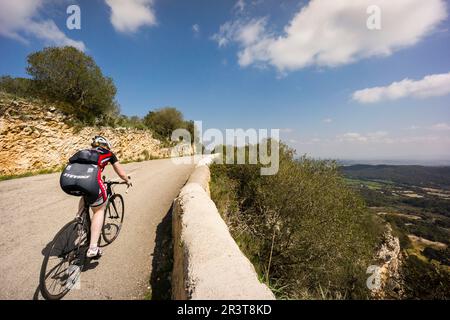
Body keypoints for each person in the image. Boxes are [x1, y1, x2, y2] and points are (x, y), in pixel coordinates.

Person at [77, 136, 131, 258]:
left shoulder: (83, 151)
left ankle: (79, 218)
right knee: (99, 210)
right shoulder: (108, 154)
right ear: (105, 145)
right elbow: (121, 173)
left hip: (75, 180)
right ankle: (93, 248)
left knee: (84, 193)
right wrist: (127, 180)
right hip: (92, 182)